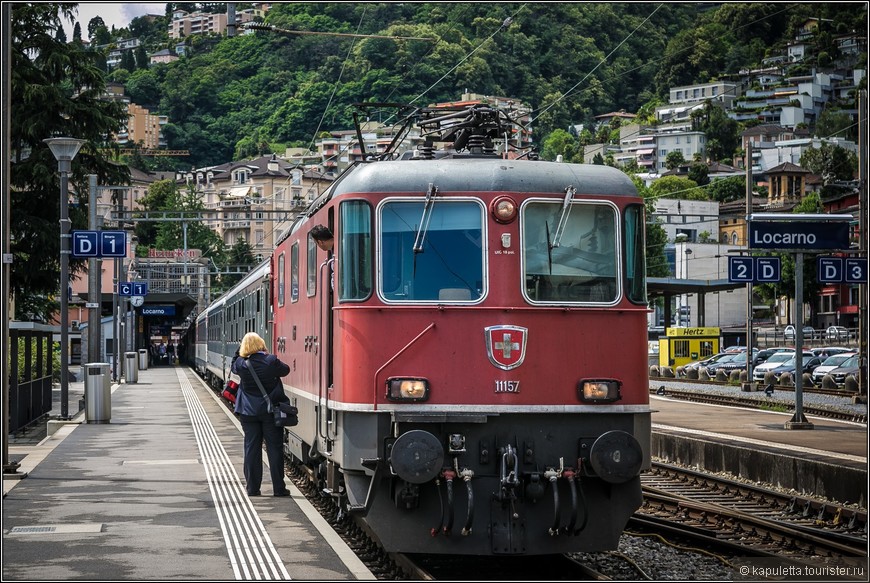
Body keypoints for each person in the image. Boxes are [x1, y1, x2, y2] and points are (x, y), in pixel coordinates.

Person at [231, 332, 291, 497]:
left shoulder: (241, 364)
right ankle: (279, 488)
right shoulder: (270, 361)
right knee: (275, 449)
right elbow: (286, 370)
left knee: (251, 448)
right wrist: (267, 353)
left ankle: (252, 488)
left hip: (248, 413)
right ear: (261, 345)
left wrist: (241, 349)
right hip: (270, 412)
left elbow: (233, 363)